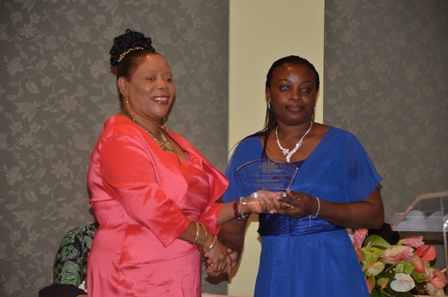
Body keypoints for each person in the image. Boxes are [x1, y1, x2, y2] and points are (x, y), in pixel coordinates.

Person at [86, 29, 282, 297]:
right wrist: (209, 241)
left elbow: (195, 214)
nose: (163, 85)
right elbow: (152, 208)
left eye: (168, 78)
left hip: (178, 272)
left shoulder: (174, 141)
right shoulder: (119, 137)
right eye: (150, 78)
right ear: (124, 86)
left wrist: (247, 205)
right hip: (131, 275)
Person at [219, 55, 385, 296]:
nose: (296, 95)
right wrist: (229, 249)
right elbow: (234, 216)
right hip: (277, 273)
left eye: (305, 89)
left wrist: (315, 207)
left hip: (333, 273)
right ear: (269, 93)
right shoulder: (249, 150)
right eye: (285, 87)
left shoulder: (342, 144)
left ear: (315, 95)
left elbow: (375, 215)